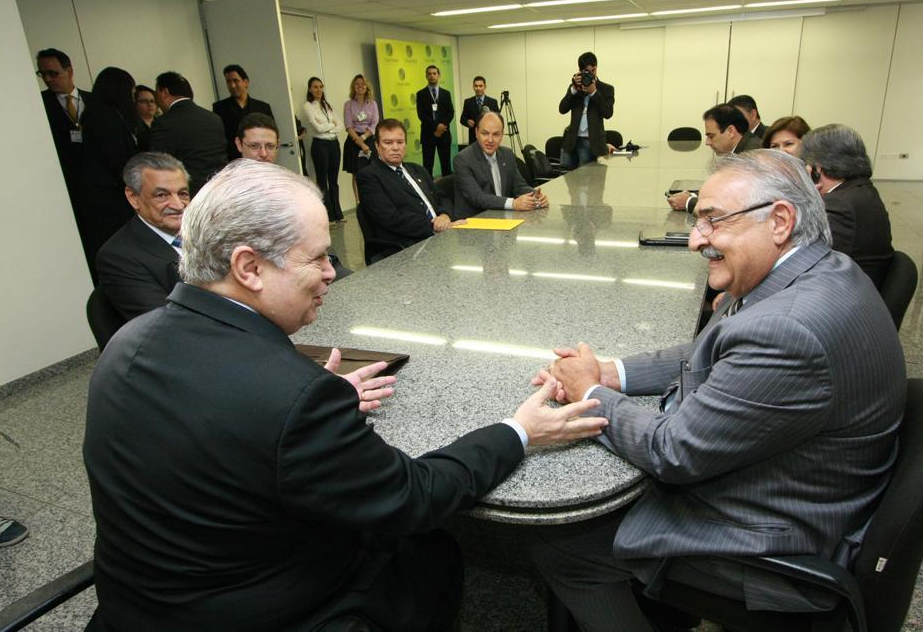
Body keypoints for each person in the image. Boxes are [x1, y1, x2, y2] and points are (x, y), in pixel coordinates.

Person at [83, 158, 607, 631]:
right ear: (249, 268)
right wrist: (520, 431)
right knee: (434, 550)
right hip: (266, 610)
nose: (333, 272)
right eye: (317, 258)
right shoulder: (291, 396)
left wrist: (314, 405)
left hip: (133, 606)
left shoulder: (127, 342)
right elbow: (415, 495)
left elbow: (214, 423)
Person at [529, 149, 906, 631]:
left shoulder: (787, 330)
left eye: (712, 221)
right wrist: (607, 372)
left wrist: (588, 393)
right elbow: (707, 351)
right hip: (814, 485)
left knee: (562, 544)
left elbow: (674, 450)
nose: (694, 239)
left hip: (777, 534)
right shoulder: (816, 271)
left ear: (780, 221)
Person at [95, 152, 189, 321]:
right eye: (162, 195)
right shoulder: (118, 257)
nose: (178, 205)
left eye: (182, 193)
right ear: (133, 198)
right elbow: (167, 324)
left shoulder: (208, 230)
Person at [800, 123, 894, 287]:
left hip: (841, 294)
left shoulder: (838, 204)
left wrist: (805, 198)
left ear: (817, 168)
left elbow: (801, 258)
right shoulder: (863, 190)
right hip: (863, 286)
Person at [357, 119, 462, 250]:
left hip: (443, 234)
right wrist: (434, 226)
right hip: (408, 245)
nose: (395, 147)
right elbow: (391, 218)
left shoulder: (418, 169)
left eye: (400, 142)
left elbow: (441, 198)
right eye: (388, 143)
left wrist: (444, 216)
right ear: (377, 146)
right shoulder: (369, 176)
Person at [78, 66, 142, 280]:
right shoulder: (103, 116)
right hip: (108, 196)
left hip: (106, 192)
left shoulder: (101, 112)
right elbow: (116, 158)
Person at [452, 109, 547, 219]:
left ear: (502, 134)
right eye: (485, 133)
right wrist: (513, 203)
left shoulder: (507, 154)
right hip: (474, 222)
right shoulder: (462, 159)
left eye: (496, 134)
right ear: (476, 133)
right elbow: (478, 197)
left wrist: (535, 195)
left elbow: (519, 186)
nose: (490, 140)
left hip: (502, 217)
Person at [669, 104, 764, 213]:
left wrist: (689, 202)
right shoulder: (745, 147)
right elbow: (725, 192)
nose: (707, 142)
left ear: (731, 131)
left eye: (711, 136)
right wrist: (696, 196)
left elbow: (734, 206)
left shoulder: (751, 156)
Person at [36, 47, 90, 240]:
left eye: (53, 73)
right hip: (63, 182)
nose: (48, 79)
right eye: (43, 74)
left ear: (70, 71)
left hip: (95, 182)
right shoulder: (37, 103)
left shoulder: (93, 100)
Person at [149, 71, 227, 195]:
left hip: (189, 193)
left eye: (156, 94)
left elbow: (159, 164)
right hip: (220, 188)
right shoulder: (214, 118)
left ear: (164, 92)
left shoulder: (164, 123)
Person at [558, 51, 615, 169]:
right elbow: (562, 109)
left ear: (596, 67)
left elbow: (608, 113)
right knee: (564, 180)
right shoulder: (575, 87)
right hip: (571, 142)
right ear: (580, 70)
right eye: (588, 72)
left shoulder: (606, 89)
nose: (592, 74)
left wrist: (594, 92)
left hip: (592, 143)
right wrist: (573, 90)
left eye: (593, 70)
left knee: (586, 184)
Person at [302, 76, 343, 223]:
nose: (318, 90)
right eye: (315, 87)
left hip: (334, 144)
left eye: (320, 87)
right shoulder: (308, 106)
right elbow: (317, 128)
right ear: (310, 89)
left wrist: (329, 125)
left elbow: (340, 125)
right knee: (322, 180)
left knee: (334, 180)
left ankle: (338, 215)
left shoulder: (328, 105)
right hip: (320, 145)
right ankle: (328, 216)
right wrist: (331, 125)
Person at [213, 64, 274, 161]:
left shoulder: (263, 107)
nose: (232, 85)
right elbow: (219, 138)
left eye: (236, 81)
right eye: (228, 82)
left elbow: (270, 134)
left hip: (260, 158)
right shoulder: (219, 108)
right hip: (234, 160)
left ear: (246, 82)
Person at [342, 74, 379, 197]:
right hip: (353, 140)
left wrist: (364, 139)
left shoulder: (372, 104)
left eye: (363, 83)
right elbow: (348, 125)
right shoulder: (348, 104)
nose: (360, 86)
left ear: (367, 86)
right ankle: (359, 203)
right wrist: (360, 142)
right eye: (357, 83)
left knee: (372, 172)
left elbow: (374, 124)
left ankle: (372, 199)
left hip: (368, 138)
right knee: (356, 174)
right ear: (353, 86)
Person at [415, 65, 455, 176]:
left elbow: (450, 112)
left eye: (434, 73)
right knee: (427, 166)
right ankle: (429, 191)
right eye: (429, 74)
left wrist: (442, 126)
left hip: (444, 134)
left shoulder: (446, 94)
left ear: (439, 75)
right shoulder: (421, 94)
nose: (432, 76)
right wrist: (436, 127)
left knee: (446, 166)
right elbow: (421, 115)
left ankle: (447, 190)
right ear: (426, 76)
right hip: (428, 134)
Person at [459, 76, 499, 144]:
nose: (478, 88)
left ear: (485, 87)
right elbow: (462, 119)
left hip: (489, 137)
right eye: (476, 86)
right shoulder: (468, 102)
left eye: (480, 86)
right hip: (473, 138)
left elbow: (498, 120)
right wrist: (467, 121)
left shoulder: (493, 102)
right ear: (473, 87)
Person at [134, 84, 157, 150]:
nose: (149, 104)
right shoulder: (132, 126)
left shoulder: (163, 123)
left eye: (152, 101)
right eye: (144, 101)